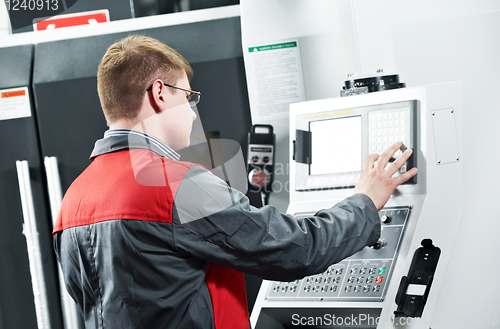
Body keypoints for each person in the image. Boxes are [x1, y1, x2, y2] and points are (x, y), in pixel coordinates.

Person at [53, 35, 417, 329]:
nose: (193, 112)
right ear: (159, 94)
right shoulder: (173, 184)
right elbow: (295, 250)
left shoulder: (73, 202)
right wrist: (366, 201)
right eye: (189, 96)